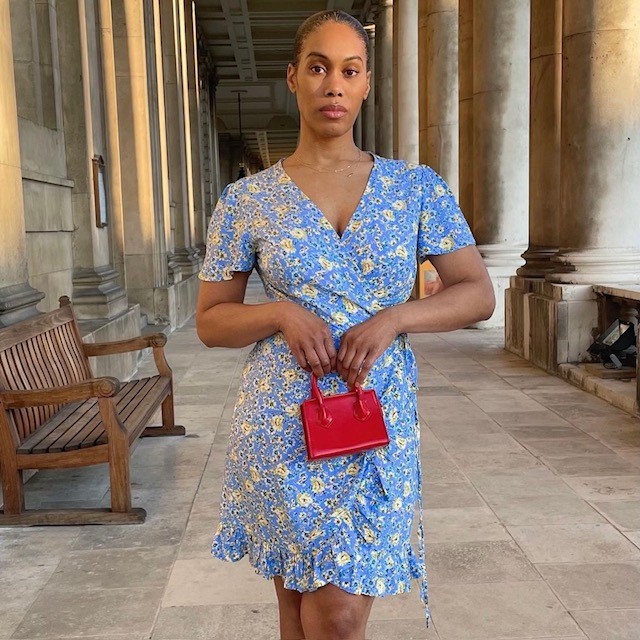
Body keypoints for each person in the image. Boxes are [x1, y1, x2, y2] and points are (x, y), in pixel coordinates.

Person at [195, 9, 495, 640]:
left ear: (364, 85)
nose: (333, 83)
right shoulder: (246, 200)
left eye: (349, 70)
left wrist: (394, 318)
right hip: (284, 418)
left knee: (337, 614)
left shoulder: (415, 189)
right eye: (318, 67)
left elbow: (478, 294)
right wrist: (278, 311)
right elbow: (211, 321)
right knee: (298, 608)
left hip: (375, 419)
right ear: (293, 78)